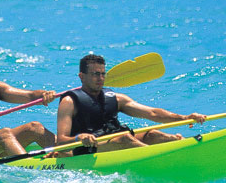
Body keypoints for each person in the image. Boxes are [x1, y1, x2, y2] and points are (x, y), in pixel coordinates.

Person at [56, 54, 206, 155]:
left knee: (153, 134)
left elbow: (152, 113)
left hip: (116, 139)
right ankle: (161, 158)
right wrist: (79, 138)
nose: (101, 78)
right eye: (96, 74)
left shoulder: (116, 98)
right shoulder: (69, 102)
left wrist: (185, 117)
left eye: (103, 74)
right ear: (82, 76)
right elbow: (61, 141)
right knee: (124, 139)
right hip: (89, 148)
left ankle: (186, 149)